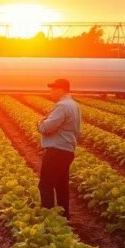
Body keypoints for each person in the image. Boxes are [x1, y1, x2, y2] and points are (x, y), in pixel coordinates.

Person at [36, 78, 81, 219]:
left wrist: (39, 123)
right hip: (67, 150)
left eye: (53, 89)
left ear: (61, 90)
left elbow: (47, 127)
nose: (51, 92)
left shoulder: (62, 106)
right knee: (61, 185)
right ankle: (63, 216)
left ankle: (48, 218)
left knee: (45, 184)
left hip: (56, 150)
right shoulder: (74, 105)